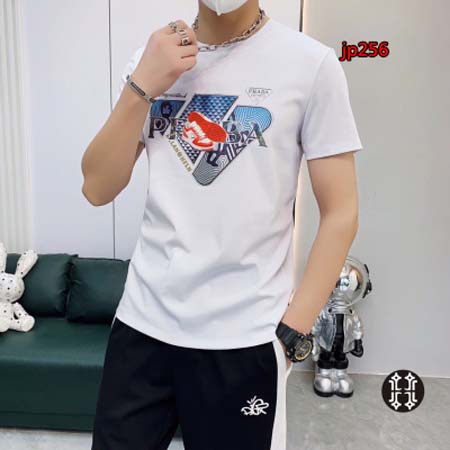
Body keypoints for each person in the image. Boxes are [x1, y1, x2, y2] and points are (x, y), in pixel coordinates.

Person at [81, 0, 364, 449]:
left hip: (245, 338)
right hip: (142, 326)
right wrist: (141, 86)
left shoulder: (311, 65)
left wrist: (293, 333)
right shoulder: (151, 60)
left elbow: (341, 212)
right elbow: (97, 187)